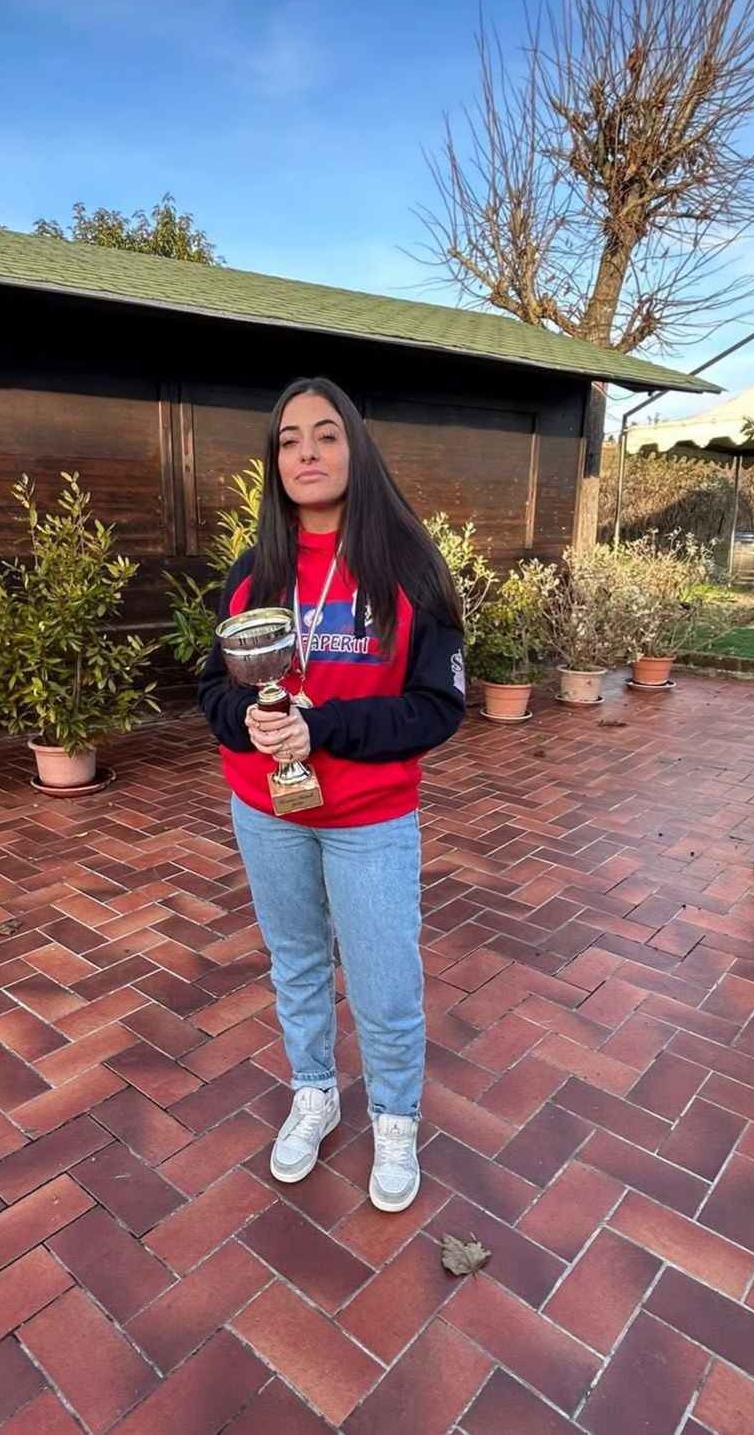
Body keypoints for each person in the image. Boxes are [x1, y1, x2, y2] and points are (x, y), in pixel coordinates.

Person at [199, 377, 465, 1212]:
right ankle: (314, 1090)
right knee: (299, 962)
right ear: (274, 461)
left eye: (325, 435)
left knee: (384, 980)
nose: (306, 453)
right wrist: (250, 718)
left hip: (368, 816)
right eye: (289, 440)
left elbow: (439, 706)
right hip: (266, 808)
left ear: (355, 447)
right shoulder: (253, 572)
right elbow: (212, 688)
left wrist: (325, 727)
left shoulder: (409, 567)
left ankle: (394, 1115)